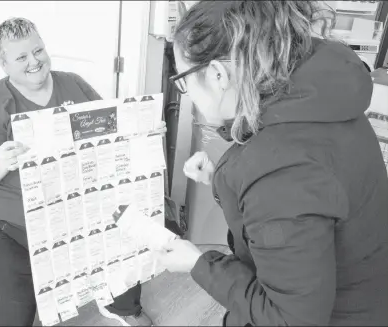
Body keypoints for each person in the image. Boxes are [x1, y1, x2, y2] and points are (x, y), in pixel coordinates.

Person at [157, 1, 388, 326]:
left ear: (218, 74)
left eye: (184, 80)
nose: (186, 92)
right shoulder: (322, 98)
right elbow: (306, 187)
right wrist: (225, 176)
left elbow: (290, 319)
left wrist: (198, 263)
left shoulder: (279, 175)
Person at [0, 17, 153, 326]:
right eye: (21, 57)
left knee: (127, 235)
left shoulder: (73, 83)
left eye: (38, 51)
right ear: (3, 63)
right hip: (13, 221)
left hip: (80, 203)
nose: (34, 61)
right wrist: (0, 162)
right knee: (9, 298)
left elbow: (112, 127)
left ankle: (119, 305)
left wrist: (144, 127)